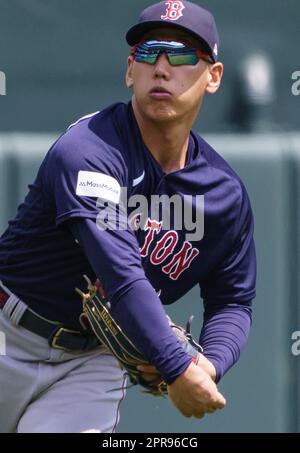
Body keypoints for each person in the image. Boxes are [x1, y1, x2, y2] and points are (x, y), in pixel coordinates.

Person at [0, 0, 256, 433]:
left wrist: (206, 366)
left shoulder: (222, 196)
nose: (161, 67)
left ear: (212, 76)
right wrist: (175, 364)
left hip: (92, 365)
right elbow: (122, 276)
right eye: (148, 52)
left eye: (180, 54)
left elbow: (233, 299)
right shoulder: (88, 149)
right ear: (129, 71)